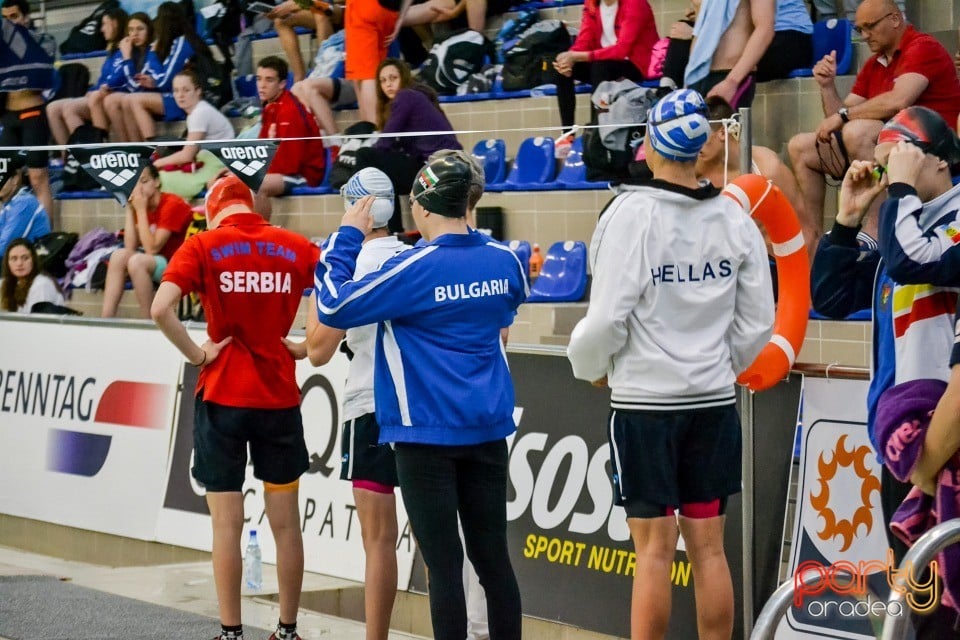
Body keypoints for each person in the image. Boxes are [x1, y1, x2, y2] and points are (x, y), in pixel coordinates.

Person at [566, 89, 774, 640]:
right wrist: (716, 367)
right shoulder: (736, 220)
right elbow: (757, 326)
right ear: (702, 146)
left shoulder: (630, 216)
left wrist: (591, 365)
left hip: (645, 408)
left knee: (653, 552)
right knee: (710, 550)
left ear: (652, 146)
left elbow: (606, 320)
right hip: (711, 405)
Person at [312, 154, 527, 640]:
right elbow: (508, 308)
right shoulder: (505, 259)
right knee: (493, 561)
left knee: (444, 564)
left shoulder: (413, 269)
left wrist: (347, 234)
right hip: (488, 430)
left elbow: (333, 305)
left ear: (422, 207)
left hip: (423, 433)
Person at [809, 105, 960, 637]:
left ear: (939, 161)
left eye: (899, 156)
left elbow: (910, 262)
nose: (889, 169)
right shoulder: (906, 222)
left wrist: (897, 194)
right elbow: (830, 296)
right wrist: (848, 220)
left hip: (947, 444)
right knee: (917, 597)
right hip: (900, 444)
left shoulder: (943, 219)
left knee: (949, 603)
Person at [150, 175, 320, 640]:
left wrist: (197, 354)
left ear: (213, 210)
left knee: (227, 525)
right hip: (278, 399)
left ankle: (231, 632)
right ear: (251, 206)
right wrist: (309, 347)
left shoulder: (203, 246)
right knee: (286, 525)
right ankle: (287, 630)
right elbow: (336, 293)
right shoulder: (295, 245)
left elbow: (160, 308)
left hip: (222, 397)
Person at [291, 167, 407, 640]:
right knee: (433, 536)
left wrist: (307, 333)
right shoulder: (414, 255)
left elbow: (319, 348)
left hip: (368, 406)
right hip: (416, 406)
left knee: (378, 541)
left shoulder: (348, 262)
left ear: (356, 209)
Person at [787, 0, 960, 240]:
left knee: (859, 132)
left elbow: (899, 100)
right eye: (860, 29)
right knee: (801, 147)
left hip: (934, 154)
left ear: (895, 19)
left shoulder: (923, 47)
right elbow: (839, 120)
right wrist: (827, 86)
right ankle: (812, 238)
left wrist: (844, 116)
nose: (865, 36)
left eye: (870, 27)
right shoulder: (874, 64)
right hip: (889, 152)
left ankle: (877, 229)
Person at [695, 98, 818, 255]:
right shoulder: (695, 171)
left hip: (772, 266)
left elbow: (805, 232)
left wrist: (801, 279)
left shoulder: (767, 167)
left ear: (722, 133)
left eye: (700, 135)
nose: (694, 144)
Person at [356, 58, 461, 232]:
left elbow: (386, 142)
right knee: (384, 176)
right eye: (383, 81)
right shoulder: (416, 97)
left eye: (393, 78)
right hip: (440, 166)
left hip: (436, 170)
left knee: (365, 156)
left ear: (403, 78)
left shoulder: (406, 96)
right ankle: (394, 231)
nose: (388, 84)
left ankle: (386, 229)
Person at [551, 0, 660, 137]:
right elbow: (584, 40)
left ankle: (596, 132)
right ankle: (567, 134)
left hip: (635, 64)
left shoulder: (635, 3)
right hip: (604, 63)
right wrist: (569, 58)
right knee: (562, 67)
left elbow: (621, 50)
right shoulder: (591, 4)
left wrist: (578, 56)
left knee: (600, 67)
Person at [110, 1, 215, 141]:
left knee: (133, 99)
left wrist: (152, 57)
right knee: (126, 100)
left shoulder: (182, 43)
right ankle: (136, 152)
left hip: (192, 98)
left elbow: (164, 81)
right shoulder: (177, 43)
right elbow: (164, 78)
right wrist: (154, 82)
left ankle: (151, 151)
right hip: (180, 94)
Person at [101, 164, 193, 319]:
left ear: (156, 182)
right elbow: (130, 247)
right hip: (160, 263)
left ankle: (149, 322)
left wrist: (141, 209)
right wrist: (131, 209)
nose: (138, 189)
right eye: (134, 184)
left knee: (138, 261)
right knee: (118, 256)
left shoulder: (172, 204)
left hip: (181, 266)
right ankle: (105, 319)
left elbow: (152, 248)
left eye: (143, 181)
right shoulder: (141, 206)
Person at [0, 0, 56, 222]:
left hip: (32, 113)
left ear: (25, 17)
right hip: (8, 116)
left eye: (13, 17)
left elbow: (40, 76)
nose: (9, 24)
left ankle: (47, 240)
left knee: (37, 177)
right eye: (5, 19)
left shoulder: (43, 40)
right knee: (3, 180)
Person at [254, 56, 327, 221]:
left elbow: (288, 165)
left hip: (303, 175)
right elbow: (261, 149)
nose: (262, 85)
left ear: (282, 84)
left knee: (255, 184)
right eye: (259, 79)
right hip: (280, 171)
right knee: (229, 181)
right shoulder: (271, 107)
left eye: (269, 80)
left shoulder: (289, 111)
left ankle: (258, 235)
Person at [45, 7, 128, 149]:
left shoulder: (126, 48)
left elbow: (122, 76)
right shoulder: (112, 51)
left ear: (115, 23)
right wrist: (94, 89)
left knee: (71, 108)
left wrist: (102, 88)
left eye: (104, 24)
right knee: (52, 108)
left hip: (114, 96)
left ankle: (92, 151)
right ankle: (69, 158)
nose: (101, 29)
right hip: (100, 94)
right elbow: (104, 78)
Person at [155, 69, 235, 200]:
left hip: (217, 166)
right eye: (176, 90)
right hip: (210, 162)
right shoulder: (197, 111)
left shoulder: (200, 113)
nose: (180, 95)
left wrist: (157, 163)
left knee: (159, 179)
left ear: (198, 91)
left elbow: (187, 155)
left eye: (186, 90)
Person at [683, 0, 775, 108]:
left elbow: (765, 28)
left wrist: (732, 81)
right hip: (697, 75)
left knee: (726, 125)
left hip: (730, 76)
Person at [344, 0, 413, 123]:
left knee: (367, 75)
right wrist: (401, 17)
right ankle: (374, 128)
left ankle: (374, 128)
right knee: (370, 72)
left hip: (364, 7)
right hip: (390, 11)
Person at [89, 11, 153, 141]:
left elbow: (135, 87)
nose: (135, 34)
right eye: (131, 30)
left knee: (112, 100)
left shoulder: (151, 52)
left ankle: (133, 149)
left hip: (152, 95)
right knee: (108, 99)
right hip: (132, 95)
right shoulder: (130, 51)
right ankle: (123, 148)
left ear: (149, 31)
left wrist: (126, 58)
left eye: (140, 29)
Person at [266, 0, 339, 82]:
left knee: (319, 12)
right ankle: (299, 78)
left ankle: (325, 69)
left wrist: (299, 4)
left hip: (346, 8)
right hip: (320, 6)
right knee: (280, 21)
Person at [1, 238, 63, 313]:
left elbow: (38, 322)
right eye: (14, 259)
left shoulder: (41, 284)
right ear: (7, 263)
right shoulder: (4, 284)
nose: (19, 263)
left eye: (25, 258)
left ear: (33, 260)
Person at [0, 167, 50, 258]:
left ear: (14, 179)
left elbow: (5, 246)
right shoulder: (7, 206)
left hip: (35, 263)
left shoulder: (24, 202)